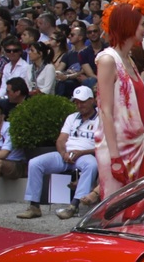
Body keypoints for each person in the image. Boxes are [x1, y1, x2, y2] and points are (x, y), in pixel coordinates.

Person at [94, 0, 144, 200]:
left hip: (136, 144)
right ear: (129, 25)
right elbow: (105, 111)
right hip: (116, 147)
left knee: (139, 209)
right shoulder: (108, 59)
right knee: (117, 210)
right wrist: (115, 156)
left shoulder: (129, 59)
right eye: (142, 24)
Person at [19, 86, 100, 221]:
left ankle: (74, 205)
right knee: (34, 163)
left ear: (92, 100)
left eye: (83, 102)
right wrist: (63, 153)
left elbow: (103, 146)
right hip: (66, 155)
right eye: (77, 102)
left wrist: (81, 152)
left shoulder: (101, 118)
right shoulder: (72, 117)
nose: (79, 105)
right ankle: (34, 206)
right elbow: (61, 139)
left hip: (86, 155)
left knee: (91, 164)